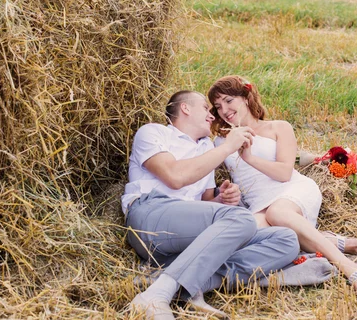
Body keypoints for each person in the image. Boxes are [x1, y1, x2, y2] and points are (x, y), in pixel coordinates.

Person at [122, 90, 300, 319]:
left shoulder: (206, 147)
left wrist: (222, 199)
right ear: (185, 108)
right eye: (206, 108)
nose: (213, 116)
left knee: (285, 239)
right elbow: (174, 177)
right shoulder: (153, 132)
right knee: (241, 218)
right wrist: (227, 147)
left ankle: (188, 282)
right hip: (150, 217)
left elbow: (204, 201)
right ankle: (155, 296)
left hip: (187, 235)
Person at [207, 76, 357, 304]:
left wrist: (247, 157)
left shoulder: (278, 127)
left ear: (246, 97)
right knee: (245, 234)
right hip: (258, 202)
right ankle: (328, 240)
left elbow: (284, 172)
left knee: (277, 214)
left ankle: (351, 268)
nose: (224, 110)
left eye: (229, 101)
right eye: (218, 106)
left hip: (291, 191)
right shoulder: (222, 141)